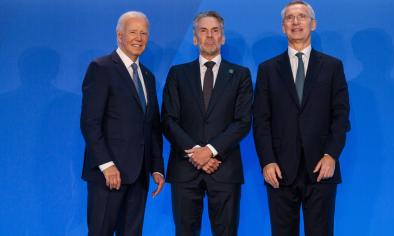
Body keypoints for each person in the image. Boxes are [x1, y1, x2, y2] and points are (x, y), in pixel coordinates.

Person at [253, 1, 350, 236]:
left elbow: (340, 116)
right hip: (280, 171)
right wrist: (267, 161)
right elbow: (261, 120)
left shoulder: (332, 66)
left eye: (302, 16)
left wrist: (331, 155)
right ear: (283, 27)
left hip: (321, 169)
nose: (296, 22)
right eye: (290, 18)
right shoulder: (267, 69)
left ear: (312, 24)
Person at [161, 11, 253, 236]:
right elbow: (169, 120)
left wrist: (210, 151)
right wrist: (196, 154)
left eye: (215, 31)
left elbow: (242, 122)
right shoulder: (177, 74)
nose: (209, 36)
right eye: (203, 30)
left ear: (223, 37)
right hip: (185, 169)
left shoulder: (240, 75)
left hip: (224, 167)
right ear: (195, 38)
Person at [80, 11, 164, 236]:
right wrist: (106, 165)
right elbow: (90, 123)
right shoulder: (101, 68)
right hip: (109, 175)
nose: (139, 38)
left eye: (144, 33)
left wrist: (156, 166)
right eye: (133, 32)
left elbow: (152, 126)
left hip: (139, 175)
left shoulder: (147, 76)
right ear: (119, 35)